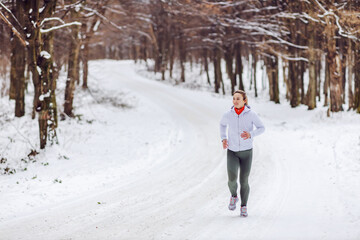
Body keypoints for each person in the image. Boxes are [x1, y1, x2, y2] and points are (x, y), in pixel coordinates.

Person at [219, 90, 265, 217]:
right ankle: (234, 196)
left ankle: (244, 205)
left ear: (244, 100)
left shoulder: (251, 114)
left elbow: (262, 128)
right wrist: (223, 138)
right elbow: (222, 125)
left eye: (238, 98)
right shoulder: (228, 114)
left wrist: (251, 134)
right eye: (234, 98)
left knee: (244, 180)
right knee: (231, 180)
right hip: (232, 151)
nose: (235, 101)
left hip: (247, 152)